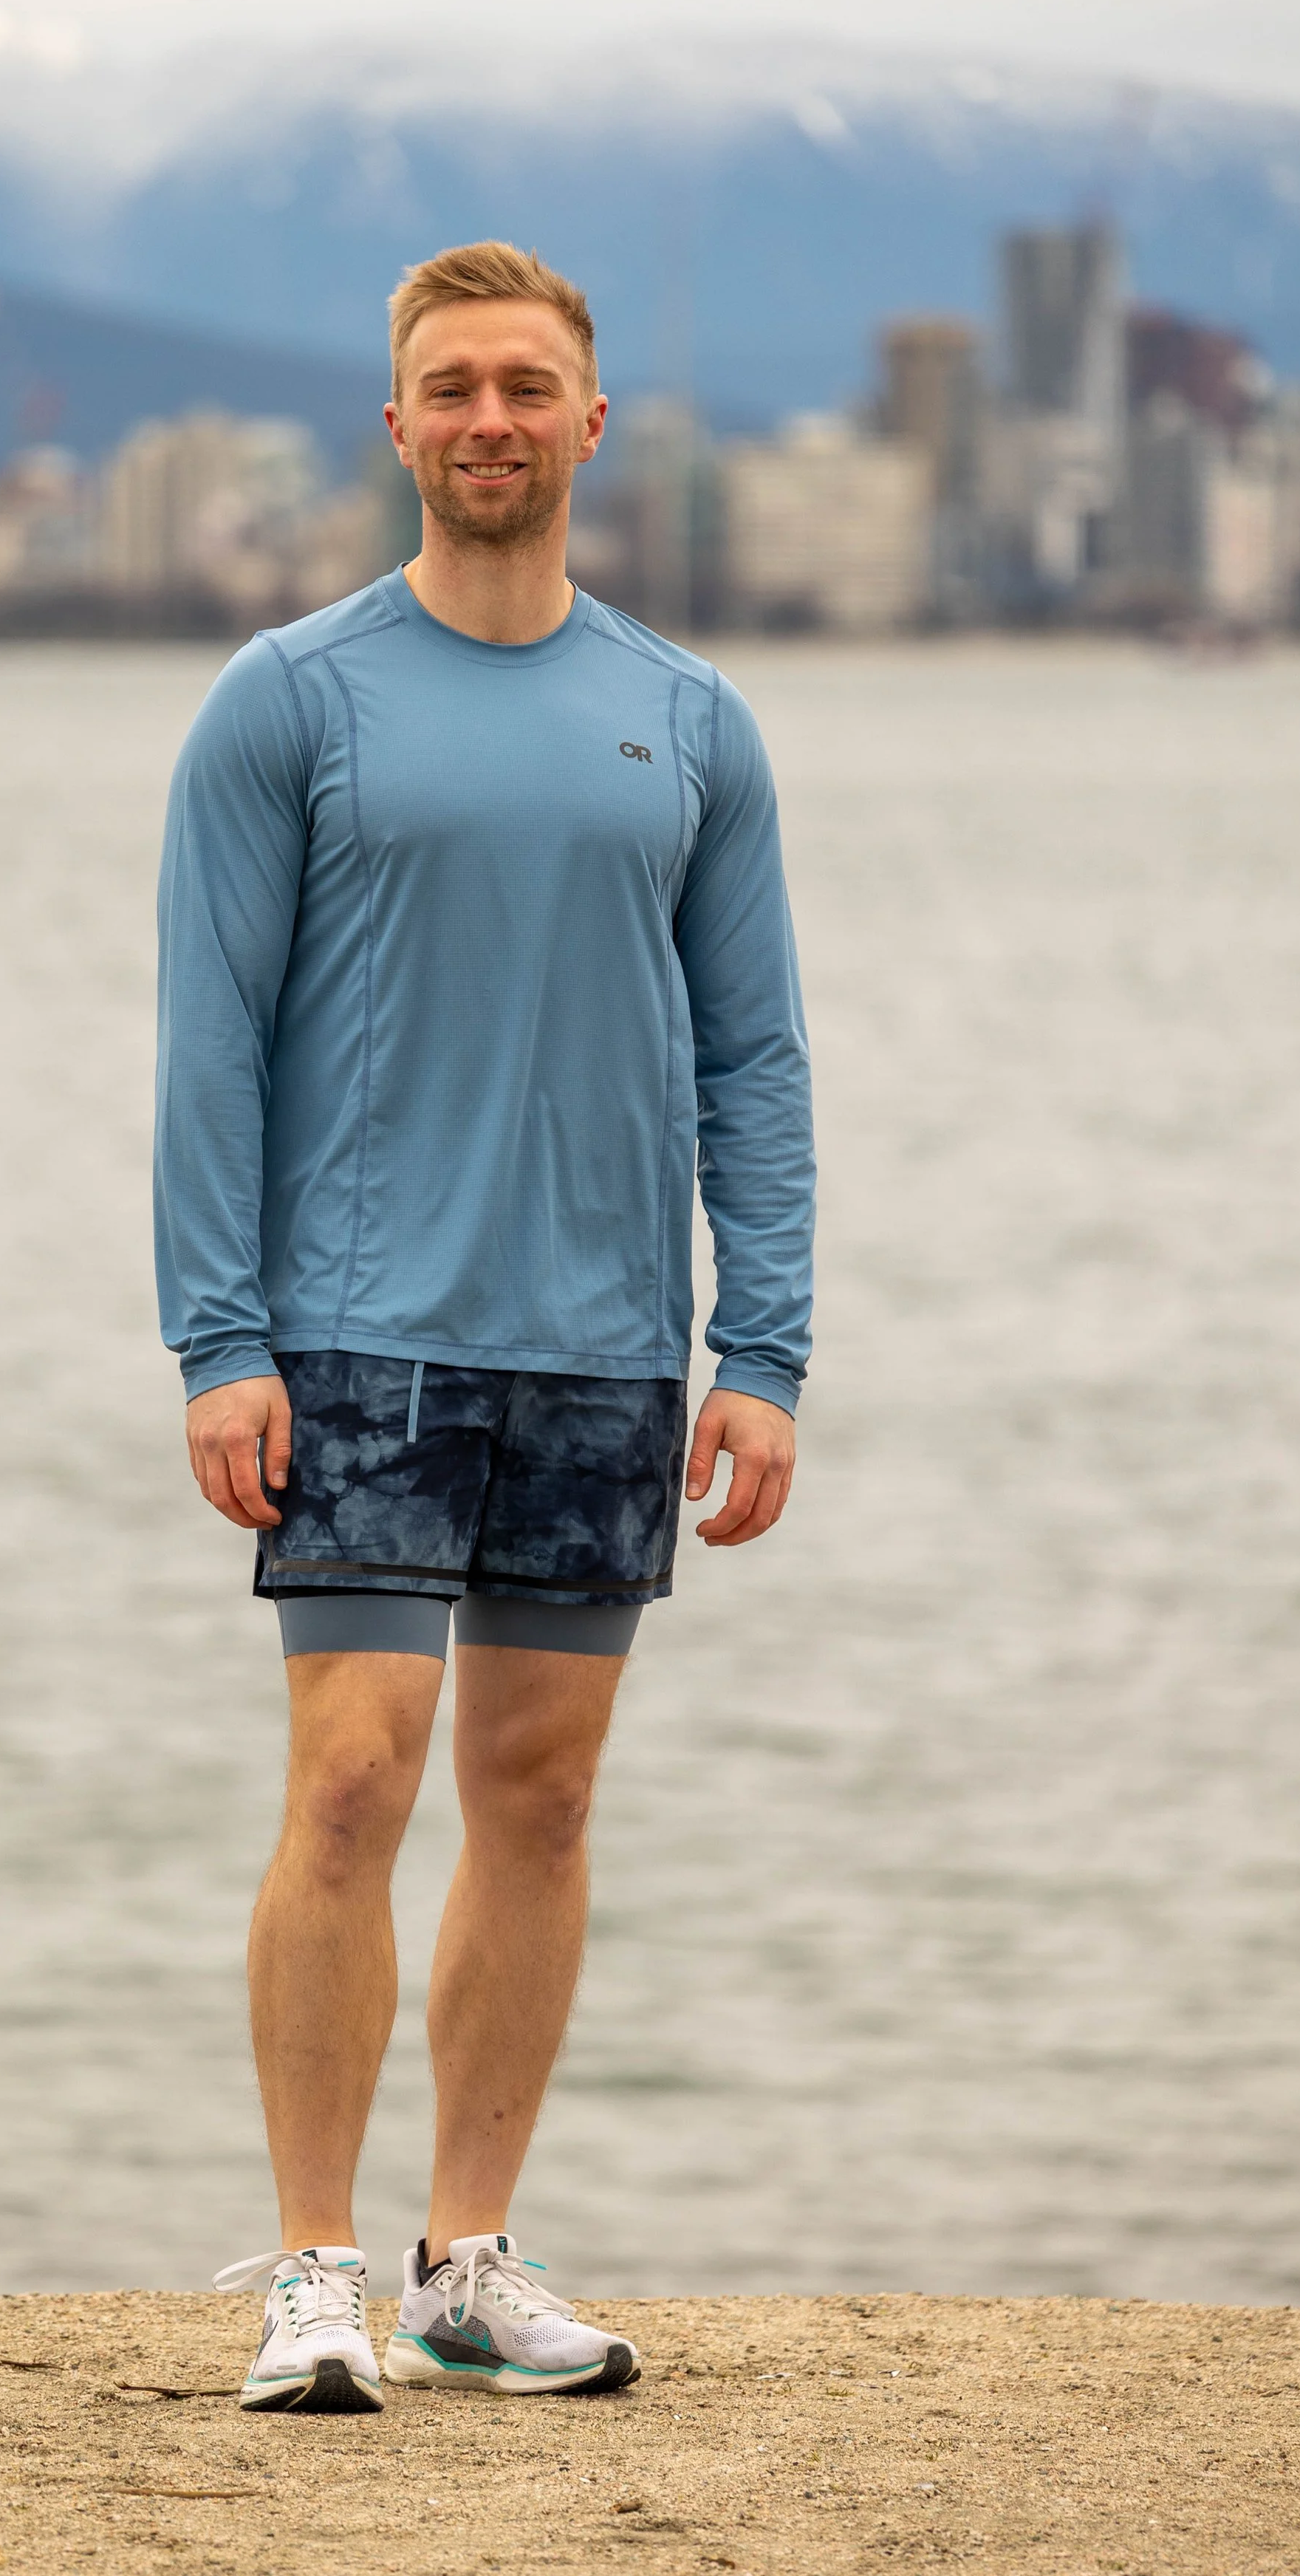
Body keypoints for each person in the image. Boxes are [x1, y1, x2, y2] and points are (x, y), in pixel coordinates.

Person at [154, 240, 814, 2413]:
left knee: (539, 1792)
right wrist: (214, 1335)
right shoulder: (290, 699)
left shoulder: (689, 715)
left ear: (588, 422)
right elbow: (208, 1049)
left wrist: (767, 1349)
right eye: (450, 386)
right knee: (350, 1776)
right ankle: (312, 2272)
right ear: (398, 423)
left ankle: (467, 2259)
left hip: (609, 1347)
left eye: (528, 384)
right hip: (355, 1338)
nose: (490, 419)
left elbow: (755, 1058)